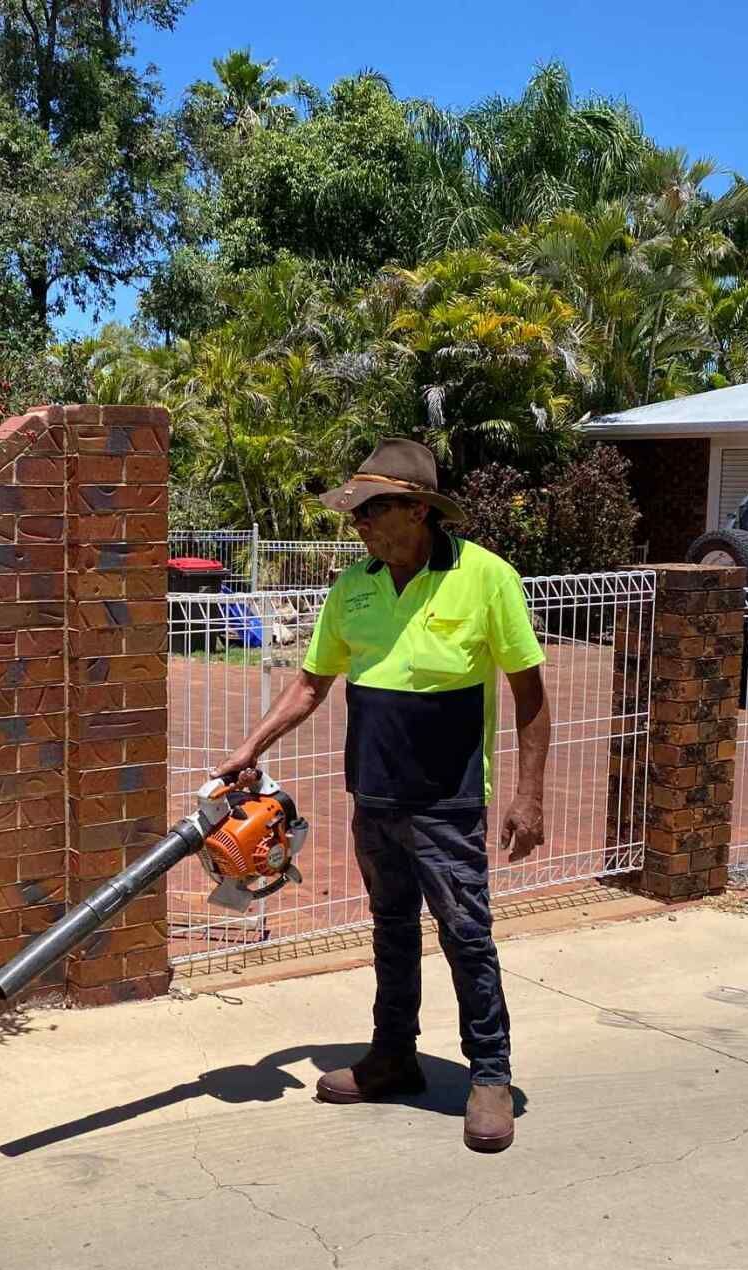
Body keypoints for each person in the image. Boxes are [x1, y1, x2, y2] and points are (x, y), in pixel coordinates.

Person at [217, 438, 551, 1153]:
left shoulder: (486, 578)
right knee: (391, 928)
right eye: (355, 510)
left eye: (371, 509)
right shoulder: (354, 587)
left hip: (449, 802)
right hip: (375, 797)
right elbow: (311, 684)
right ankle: (394, 1054)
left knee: (466, 934)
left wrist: (529, 795)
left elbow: (530, 693)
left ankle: (489, 1074)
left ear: (418, 509)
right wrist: (252, 747)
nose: (358, 522)